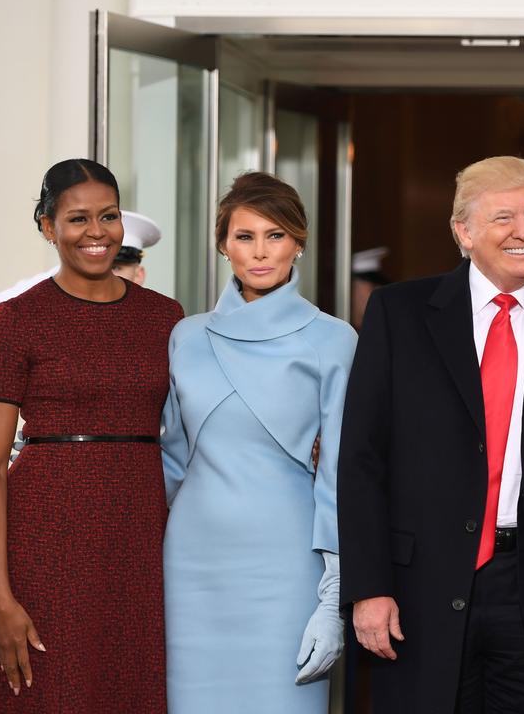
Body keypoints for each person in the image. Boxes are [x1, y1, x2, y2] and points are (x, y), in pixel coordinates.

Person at [338, 156, 524, 714]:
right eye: (504, 216)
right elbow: (362, 459)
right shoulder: (399, 314)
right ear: (464, 231)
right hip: (419, 590)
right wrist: (368, 586)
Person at [0, 159, 183, 713]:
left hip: (138, 539)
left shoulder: (166, 318)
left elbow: (199, 421)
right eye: (77, 219)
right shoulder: (12, 323)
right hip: (42, 538)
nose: (96, 232)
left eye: (109, 216)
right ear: (48, 227)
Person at [161, 171, 357, 713]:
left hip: (288, 566)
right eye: (244, 236)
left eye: (276, 235)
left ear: (299, 242)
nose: (261, 252)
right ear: (223, 244)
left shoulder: (333, 339)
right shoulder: (187, 335)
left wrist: (333, 596)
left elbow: (340, 474)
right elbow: (168, 461)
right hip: (190, 566)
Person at [0, 210, 164, 401]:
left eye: (115, 267)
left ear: (139, 275)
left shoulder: (162, 330)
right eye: (86, 266)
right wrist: (4, 300)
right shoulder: (44, 343)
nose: (100, 276)